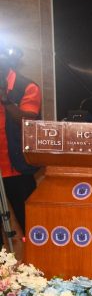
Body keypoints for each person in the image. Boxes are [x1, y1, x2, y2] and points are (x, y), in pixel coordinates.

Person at [0, 44, 41, 231]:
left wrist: (6, 100)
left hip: (16, 168)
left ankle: (31, 250)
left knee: (30, 225)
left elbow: (27, 122)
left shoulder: (27, 86)